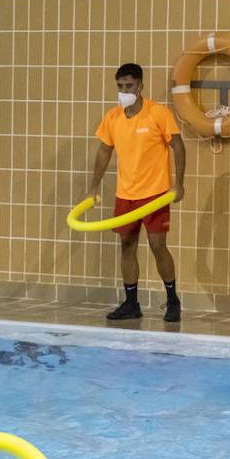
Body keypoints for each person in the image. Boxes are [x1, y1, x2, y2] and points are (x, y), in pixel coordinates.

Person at [85, 62, 187, 322]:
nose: (124, 90)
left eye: (129, 86)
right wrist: (94, 186)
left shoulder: (157, 113)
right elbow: (104, 150)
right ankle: (131, 303)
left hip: (155, 193)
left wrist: (179, 183)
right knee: (127, 246)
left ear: (140, 86)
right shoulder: (113, 117)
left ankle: (173, 299)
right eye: (120, 86)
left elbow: (177, 145)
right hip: (126, 193)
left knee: (157, 245)